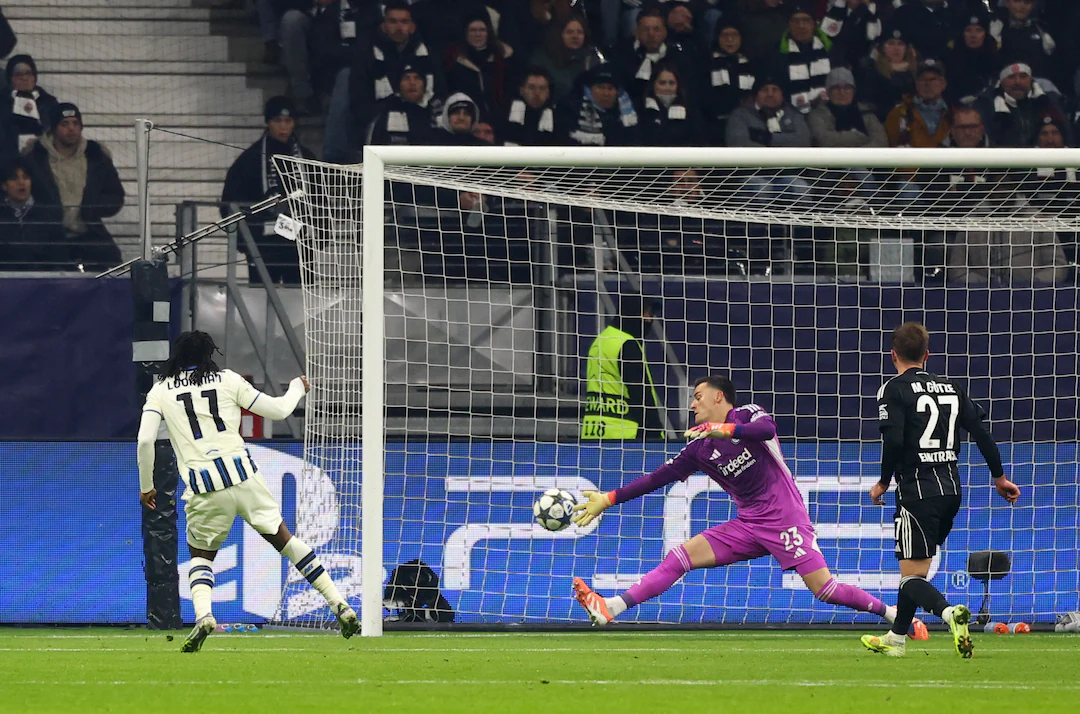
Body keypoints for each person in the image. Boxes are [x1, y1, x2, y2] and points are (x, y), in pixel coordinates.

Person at [572, 374, 900, 628]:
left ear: (719, 397)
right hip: (748, 525)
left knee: (824, 590)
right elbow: (658, 478)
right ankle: (610, 607)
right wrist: (608, 498)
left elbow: (767, 429)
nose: (692, 405)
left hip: (785, 518)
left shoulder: (747, 414)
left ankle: (893, 613)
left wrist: (725, 429)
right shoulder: (698, 448)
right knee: (679, 557)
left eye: (698, 397)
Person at [136, 331, 359, 652]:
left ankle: (204, 617)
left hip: (204, 485)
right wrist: (297, 387)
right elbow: (280, 410)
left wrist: (147, 487)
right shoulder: (228, 380)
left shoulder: (160, 391)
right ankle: (340, 604)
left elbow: (145, 441)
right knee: (285, 540)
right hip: (243, 475)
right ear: (210, 355)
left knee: (201, 556)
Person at [861, 322, 1020, 658]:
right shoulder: (951, 387)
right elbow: (981, 432)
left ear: (893, 356)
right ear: (927, 354)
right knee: (914, 570)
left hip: (917, 491)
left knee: (910, 578)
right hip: (951, 491)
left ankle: (949, 614)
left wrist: (883, 482)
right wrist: (999, 477)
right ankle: (896, 639)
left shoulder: (893, 389)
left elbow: (892, 439)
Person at [220, 97, 315, 285]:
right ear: (268, 123)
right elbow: (230, 202)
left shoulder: (307, 158)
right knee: (261, 300)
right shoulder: (249, 160)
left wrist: (319, 235)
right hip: (262, 245)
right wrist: (244, 242)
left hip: (299, 245)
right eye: (277, 121)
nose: (283, 127)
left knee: (298, 303)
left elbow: (320, 199)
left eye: (288, 121)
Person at [22, 103, 124, 273]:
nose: (71, 129)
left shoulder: (95, 155)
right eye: (65, 124)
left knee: (111, 271)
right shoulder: (35, 157)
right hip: (48, 239)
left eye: (75, 123)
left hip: (89, 235)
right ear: (54, 128)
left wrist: (91, 208)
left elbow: (115, 195)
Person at [580, 294, 665, 440]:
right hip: (625, 435)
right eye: (646, 314)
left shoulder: (600, 340)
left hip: (592, 431)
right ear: (632, 313)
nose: (649, 320)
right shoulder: (627, 344)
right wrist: (656, 435)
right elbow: (640, 394)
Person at [443, 10, 516, 121]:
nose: (477, 34)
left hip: (499, 116)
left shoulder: (503, 57)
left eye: (482, 30)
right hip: (465, 117)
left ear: (488, 32)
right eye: (473, 30)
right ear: (465, 33)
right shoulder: (453, 59)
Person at [0, 157, 65, 270]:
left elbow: (58, 255)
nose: (21, 182)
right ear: (4, 186)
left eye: (25, 177)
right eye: (14, 178)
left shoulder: (48, 215)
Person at [557, 64, 641, 147]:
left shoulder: (627, 116)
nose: (606, 93)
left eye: (610, 88)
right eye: (600, 87)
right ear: (588, 90)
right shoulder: (571, 111)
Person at [702, 19, 756, 142]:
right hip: (716, 124)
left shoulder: (752, 63)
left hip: (748, 123)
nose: (730, 40)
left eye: (734, 35)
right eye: (725, 35)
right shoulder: (707, 63)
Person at [530, 14, 600, 102]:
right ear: (559, 34)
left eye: (580, 32)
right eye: (569, 32)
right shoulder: (542, 58)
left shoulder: (591, 59)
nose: (575, 36)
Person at [884, 59, 952, 147]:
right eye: (922, 80)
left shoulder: (954, 114)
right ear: (916, 84)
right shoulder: (898, 114)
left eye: (932, 79)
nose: (927, 84)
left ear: (943, 83)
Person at [1, 55, 59, 157]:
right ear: (10, 78)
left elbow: (56, 133)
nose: (24, 78)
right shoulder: (2, 102)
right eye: (18, 74)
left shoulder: (49, 103)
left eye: (28, 73)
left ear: (34, 77)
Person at [364, 67, 437, 146]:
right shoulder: (386, 111)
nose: (412, 83)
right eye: (406, 78)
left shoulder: (436, 112)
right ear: (398, 85)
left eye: (417, 78)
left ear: (424, 85)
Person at [639, 61, 704, 147]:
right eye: (662, 83)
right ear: (653, 85)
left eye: (671, 83)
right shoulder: (642, 111)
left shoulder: (691, 113)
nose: (667, 88)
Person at [499, 67, 558, 146]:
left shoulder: (558, 119)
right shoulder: (504, 114)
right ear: (521, 90)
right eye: (531, 87)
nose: (537, 93)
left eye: (542, 88)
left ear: (548, 93)